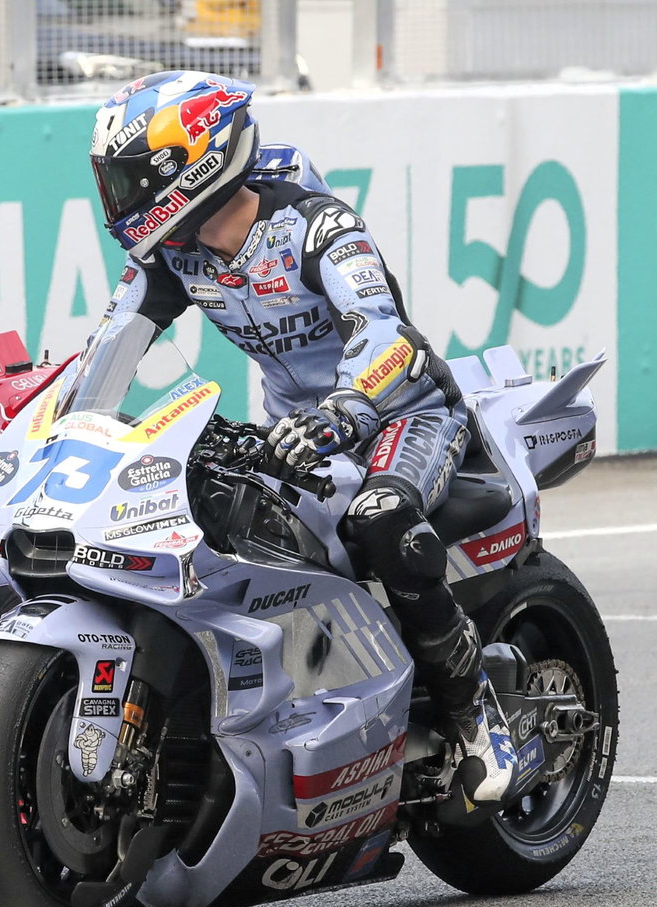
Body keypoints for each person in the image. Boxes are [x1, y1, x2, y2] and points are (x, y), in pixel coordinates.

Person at [85, 71, 517, 803]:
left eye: (131, 181)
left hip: (399, 413)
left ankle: (476, 712)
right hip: (295, 430)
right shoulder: (173, 254)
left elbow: (387, 335)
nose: (120, 200)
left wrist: (345, 408)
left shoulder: (317, 226)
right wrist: (69, 420)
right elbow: (108, 350)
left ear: (189, 168)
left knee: (381, 521)